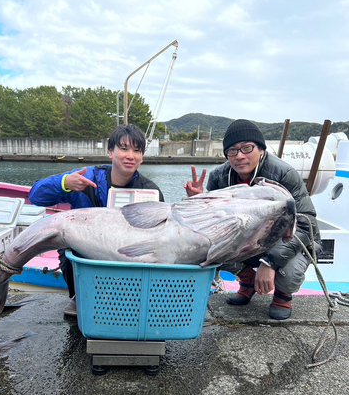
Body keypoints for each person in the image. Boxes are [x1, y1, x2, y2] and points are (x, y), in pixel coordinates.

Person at [184, 118, 322, 320]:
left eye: (246, 148)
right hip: (251, 237)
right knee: (205, 250)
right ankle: (247, 281)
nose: (239, 156)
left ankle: (283, 295)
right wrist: (198, 201)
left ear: (261, 150)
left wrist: (269, 262)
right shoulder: (219, 178)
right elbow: (215, 224)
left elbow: (305, 223)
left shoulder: (284, 174)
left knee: (290, 273)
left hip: (291, 239)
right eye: (232, 150)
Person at [29, 124, 164, 316]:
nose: (130, 155)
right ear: (110, 152)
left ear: (142, 158)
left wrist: (194, 199)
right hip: (85, 249)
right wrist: (64, 184)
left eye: (137, 150)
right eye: (124, 148)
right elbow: (36, 196)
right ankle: (81, 296)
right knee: (70, 250)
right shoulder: (86, 178)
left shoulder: (151, 191)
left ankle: (133, 299)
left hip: (127, 252)